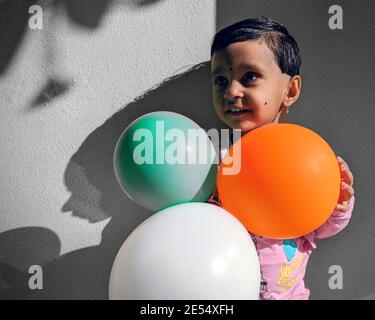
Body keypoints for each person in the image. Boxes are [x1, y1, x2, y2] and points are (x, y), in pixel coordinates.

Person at [208, 17, 355, 300]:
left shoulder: (307, 161)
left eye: (249, 76)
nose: (231, 91)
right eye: (221, 81)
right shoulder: (216, 162)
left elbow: (322, 226)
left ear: (290, 91)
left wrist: (340, 202)